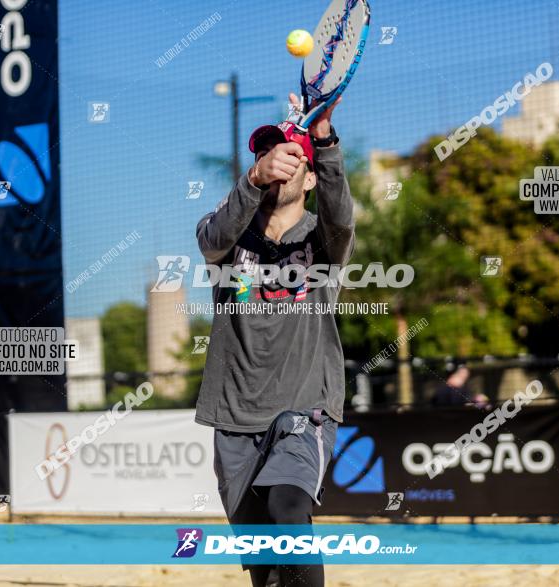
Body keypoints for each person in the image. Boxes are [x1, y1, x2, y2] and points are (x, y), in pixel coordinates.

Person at [195, 93, 353, 587]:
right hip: (234, 415)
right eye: (267, 154)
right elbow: (211, 238)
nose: (276, 163)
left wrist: (323, 139)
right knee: (264, 568)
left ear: (308, 178)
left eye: (290, 156)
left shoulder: (322, 240)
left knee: (289, 510)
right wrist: (253, 179)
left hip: (304, 407)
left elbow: (341, 215)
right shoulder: (228, 236)